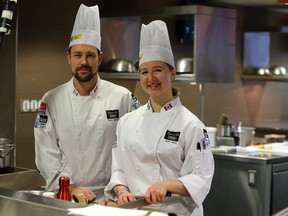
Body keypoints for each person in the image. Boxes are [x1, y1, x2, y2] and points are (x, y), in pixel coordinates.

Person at [104, 20, 214, 215]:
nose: (150, 78)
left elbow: (201, 177)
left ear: (172, 73)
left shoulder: (191, 125)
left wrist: (167, 185)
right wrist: (121, 190)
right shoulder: (127, 122)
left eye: (157, 70)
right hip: (136, 211)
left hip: (176, 212)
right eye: (144, 72)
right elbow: (118, 169)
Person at [34, 4, 140, 203]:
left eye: (90, 55)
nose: (84, 61)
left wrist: (123, 186)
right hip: (67, 196)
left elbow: (137, 144)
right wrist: (71, 187)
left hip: (113, 197)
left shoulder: (122, 97)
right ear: (68, 58)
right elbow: (45, 152)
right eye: (77, 55)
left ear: (99, 58)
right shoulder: (51, 100)